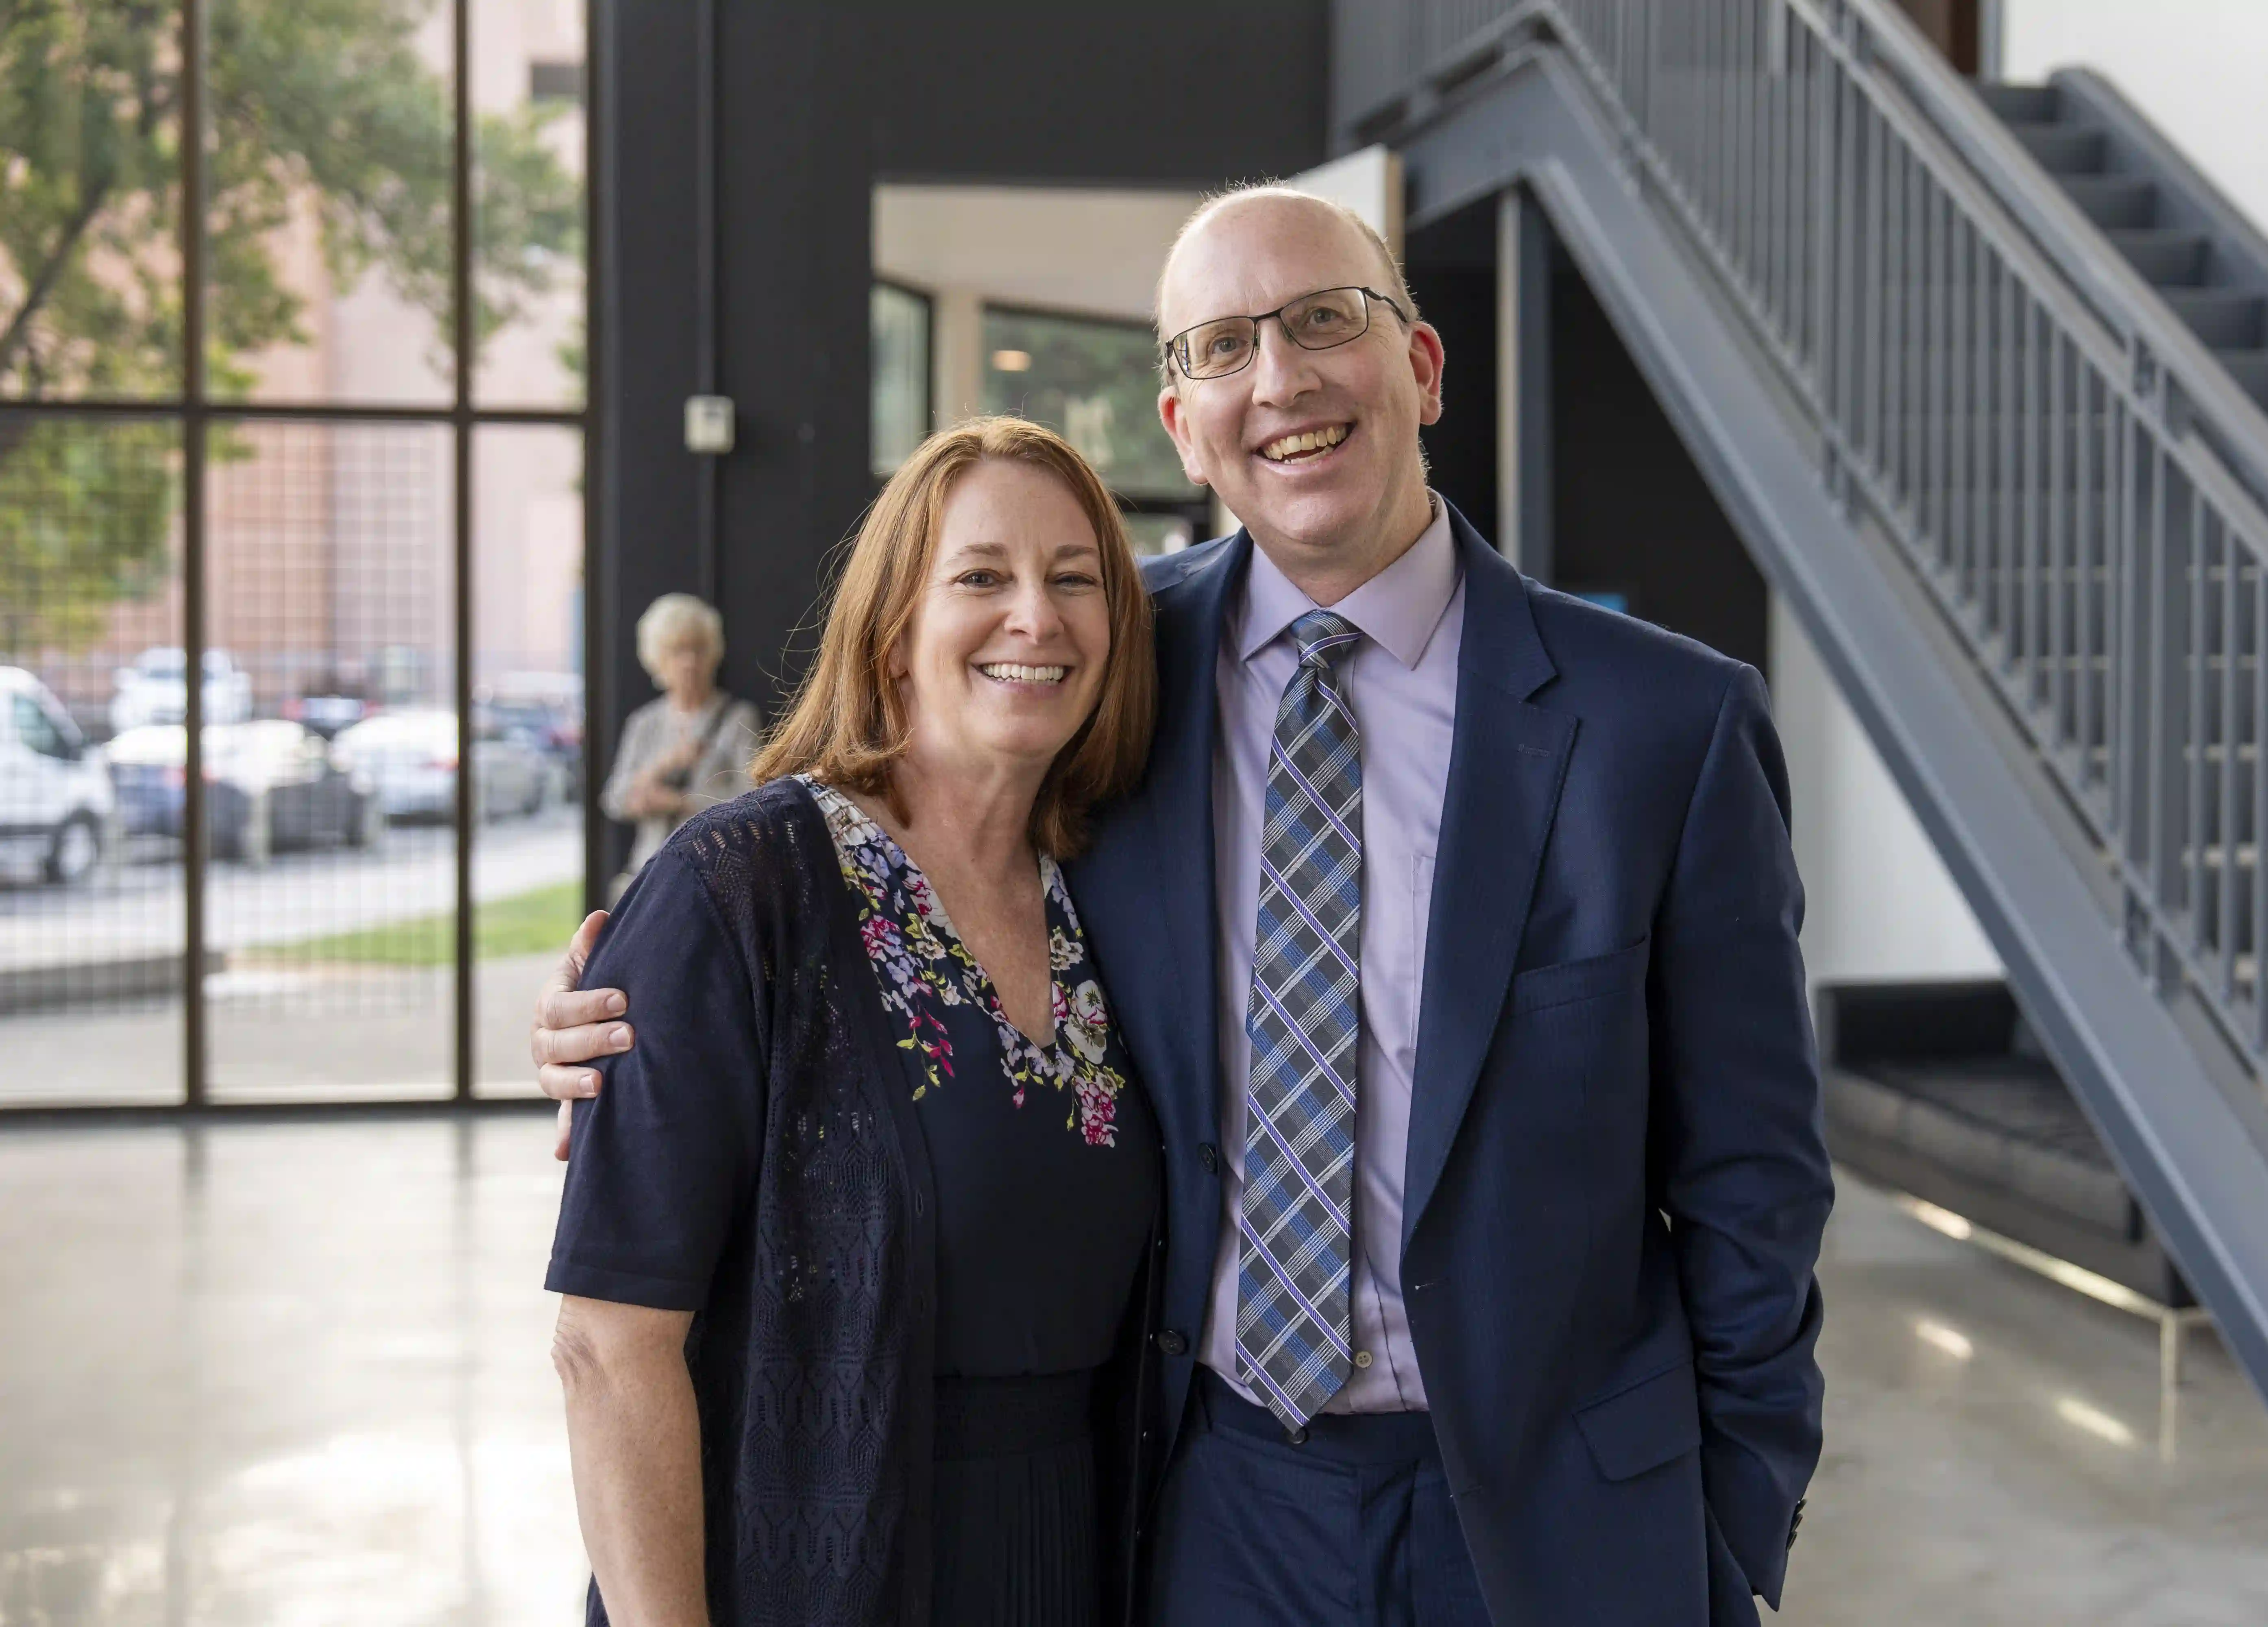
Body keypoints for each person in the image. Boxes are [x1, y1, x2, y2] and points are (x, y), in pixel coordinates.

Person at [537, 186, 1830, 1626]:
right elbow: (892, 856)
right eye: (1222, 347)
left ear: (1420, 367)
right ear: (1181, 425)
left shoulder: (1663, 725)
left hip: (1563, 1525)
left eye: (1324, 320)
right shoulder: (1101, 668)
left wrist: (1730, 1529)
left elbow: (1754, 1178)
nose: (1278, 379)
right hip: (1212, 1509)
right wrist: (644, 995)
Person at [545, 418, 1163, 1626]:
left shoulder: (1108, 890)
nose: (1034, 617)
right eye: (979, 576)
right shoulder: (742, 889)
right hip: (813, 1574)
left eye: (1073, 578)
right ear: (891, 633)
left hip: (1075, 1562)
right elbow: (609, 1348)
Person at [599, 591, 761, 881]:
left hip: (712, 874)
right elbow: (615, 799)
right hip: (651, 874)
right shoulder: (645, 722)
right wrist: (664, 765)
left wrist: (678, 802)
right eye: (678, 651)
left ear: (714, 652)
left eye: (698, 649)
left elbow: (753, 804)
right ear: (657, 659)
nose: (690, 662)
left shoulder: (738, 718)